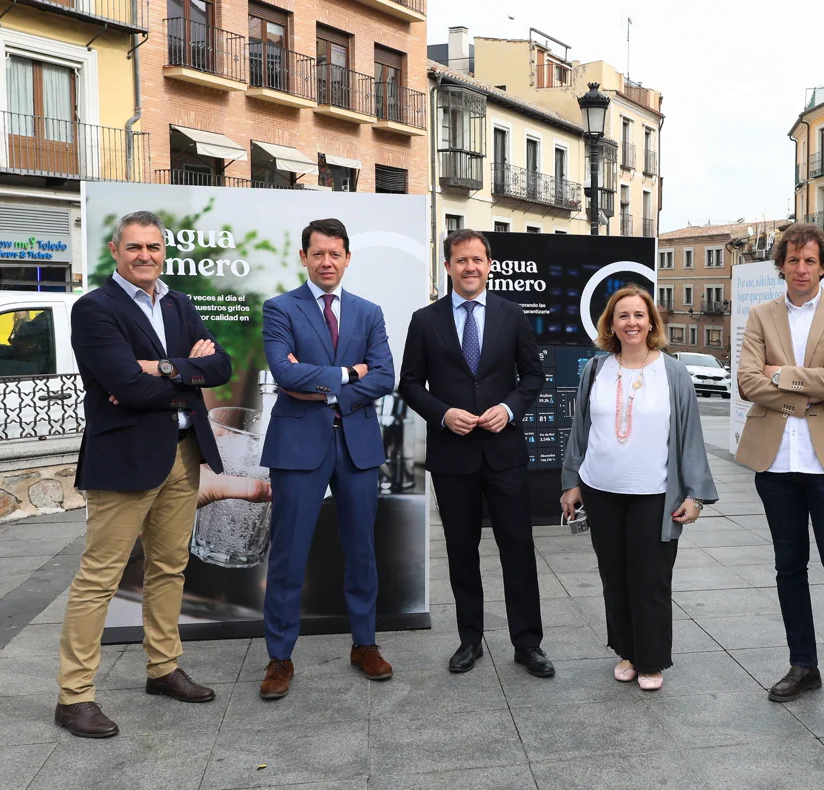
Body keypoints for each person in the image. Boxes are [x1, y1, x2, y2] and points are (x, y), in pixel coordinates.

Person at [56, 210, 232, 739]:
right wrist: (186, 372)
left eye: (154, 247)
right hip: (125, 459)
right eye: (135, 247)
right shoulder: (95, 309)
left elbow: (219, 368)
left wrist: (162, 367)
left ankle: (163, 668)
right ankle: (74, 695)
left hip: (183, 452)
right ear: (115, 250)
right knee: (99, 579)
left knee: (170, 567)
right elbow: (123, 387)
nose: (145, 256)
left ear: (163, 251)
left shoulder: (178, 302)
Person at [735, 222, 824, 724]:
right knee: (788, 568)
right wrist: (808, 383)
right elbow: (748, 384)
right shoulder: (760, 314)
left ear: (823, 266)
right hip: (775, 463)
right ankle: (804, 665)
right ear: (781, 264)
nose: (801, 269)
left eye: (810, 261)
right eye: (793, 260)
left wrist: (782, 374)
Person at [399, 228, 552, 677]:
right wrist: (443, 414)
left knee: (518, 551)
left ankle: (528, 644)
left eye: (477, 260)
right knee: (461, 551)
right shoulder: (424, 320)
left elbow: (533, 376)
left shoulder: (512, 315)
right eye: (461, 260)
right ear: (447, 267)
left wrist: (509, 408)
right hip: (453, 457)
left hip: (504, 453)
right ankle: (470, 640)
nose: (470, 267)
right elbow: (409, 384)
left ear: (489, 267)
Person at [258, 218, 396, 699]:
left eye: (335, 253)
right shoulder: (279, 309)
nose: (327, 262)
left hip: (356, 445)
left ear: (348, 258)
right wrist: (346, 372)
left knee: (362, 551)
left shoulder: (368, 312)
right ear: (303, 257)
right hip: (297, 448)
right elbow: (283, 373)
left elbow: (384, 376)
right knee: (289, 556)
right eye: (318, 253)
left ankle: (365, 645)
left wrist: (329, 389)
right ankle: (279, 657)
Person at [560, 286, 718, 691]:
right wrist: (572, 483)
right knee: (614, 576)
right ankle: (627, 652)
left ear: (652, 323)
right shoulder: (595, 369)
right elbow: (580, 432)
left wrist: (695, 495)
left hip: (655, 493)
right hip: (601, 489)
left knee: (650, 578)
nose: (632, 323)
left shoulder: (673, 372)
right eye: (623, 316)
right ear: (611, 324)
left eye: (639, 315)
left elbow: (690, 437)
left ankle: (651, 660)